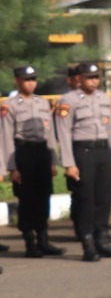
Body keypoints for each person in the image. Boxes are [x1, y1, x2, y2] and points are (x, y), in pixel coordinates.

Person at [55, 62, 111, 261]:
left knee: (104, 197)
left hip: (103, 152)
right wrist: (69, 163)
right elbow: (64, 134)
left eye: (96, 77)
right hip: (82, 152)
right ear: (79, 79)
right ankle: (88, 244)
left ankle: (102, 240)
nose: (93, 81)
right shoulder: (68, 100)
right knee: (86, 199)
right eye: (89, 77)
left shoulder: (104, 99)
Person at [6, 66, 64, 256]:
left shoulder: (43, 103)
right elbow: (6, 137)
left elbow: (49, 134)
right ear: (17, 81)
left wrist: (52, 161)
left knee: (43, 196)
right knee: (27, 198)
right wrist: (12, 167)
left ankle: (44, 240)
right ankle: (30, 243)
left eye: (33, 79)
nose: (31, 83)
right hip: (23, 153)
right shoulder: (10, 105)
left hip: (42, 153)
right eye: (26, 79)